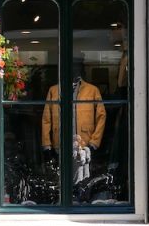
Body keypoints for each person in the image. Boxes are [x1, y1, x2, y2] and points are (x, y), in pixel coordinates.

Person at [40, 57, 106, 187]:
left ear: (81, 69)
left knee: (83, 181)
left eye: (77, 66)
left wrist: (94, 142)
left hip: (84, 144)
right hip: (60, 144)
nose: (74, 69)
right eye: (72, 66)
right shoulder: (54, 90)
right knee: (61, 182)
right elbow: (46, 119)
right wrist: (47, 145)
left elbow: (101, 116)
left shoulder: (92, 90)